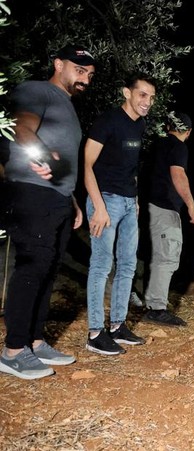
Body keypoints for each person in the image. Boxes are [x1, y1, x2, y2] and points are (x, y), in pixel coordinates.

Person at [0, 45, 95, 379]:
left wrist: (71, 200)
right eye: (79, 70)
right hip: (31, 192)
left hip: (57, 198)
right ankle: (13, 351)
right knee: (33, 265)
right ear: (58, 64)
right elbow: (20, 127)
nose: (85, 77)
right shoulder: (37, 90)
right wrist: (37, 155)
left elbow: (63, 163)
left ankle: (36, 341)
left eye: (89, 74)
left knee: (49, 268)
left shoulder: (66, 105)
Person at [84, 73, 156, 355]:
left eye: (151, 97)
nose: (147, 102)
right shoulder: (108, 122)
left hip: (127, 203)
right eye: (142, 95)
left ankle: (117, 325)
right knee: (102, 265)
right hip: (106, 201)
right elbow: (87, 164)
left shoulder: (141, 126)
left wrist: (135, 199)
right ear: (127, 93)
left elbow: (132, 166)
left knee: (127, 265)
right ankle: (94, 332)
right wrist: (98, 206)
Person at [142, 112, 194, 327]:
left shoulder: (157, 144)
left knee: (155, 255)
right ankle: (157, 309)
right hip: (164, 207)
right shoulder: (178, 147)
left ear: (167, 126)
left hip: (150, 205)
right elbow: (178, 176)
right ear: (188, 132)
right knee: (166, 257)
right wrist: (192, 207)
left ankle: (150, 302)